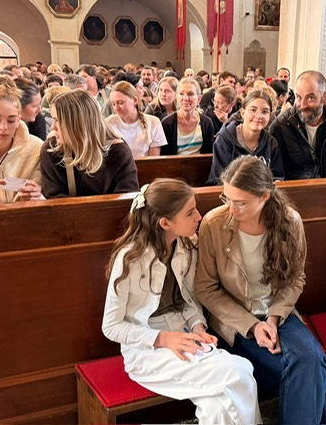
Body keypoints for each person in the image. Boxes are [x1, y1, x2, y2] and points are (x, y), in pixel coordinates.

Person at [102, 179, 261, 424]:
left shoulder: (187, 246)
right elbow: (111, 326)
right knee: (240, 371)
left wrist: (198, 326)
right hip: (146, 350)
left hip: (184, 336)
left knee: (217, 407)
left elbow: (190, 300)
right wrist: (163, 339)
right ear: (165, 223)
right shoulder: (129, 259)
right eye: (190, 212)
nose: (199, 216)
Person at [195, 155, 326, 424]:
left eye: (241, 202)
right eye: (227, 198)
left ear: (264, 196)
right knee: (306, 372)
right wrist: (253, 326)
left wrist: (273, 318)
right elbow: (206, 288)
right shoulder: (213, 224)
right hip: (235, 321)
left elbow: (295, 279)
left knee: (311, 359)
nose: (231, 208)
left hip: (278, 313)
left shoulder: (290, 221)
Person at [40, 89, 139, 197]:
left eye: (58, 120)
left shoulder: (118, 151)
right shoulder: (51, 150)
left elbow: (127, 198)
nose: (52, 127)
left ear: (77, 123)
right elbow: (54, 197)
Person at [268, 70, 326, 179]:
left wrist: (322, 187)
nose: (303, 105)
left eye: (310, 98)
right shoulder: (280, 126)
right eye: (299, 97)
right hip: (292, 187)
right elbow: (276, 173)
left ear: (325, 97)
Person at [206, 89, 284, 185]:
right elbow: (218, 179)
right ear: (242, 113)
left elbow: (277, 176)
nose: (259, 116)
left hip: (262, 192)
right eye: (253, 110)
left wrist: (277, 182)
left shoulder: (271, 143)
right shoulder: (225, 139)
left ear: (270, 117)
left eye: (265, 112)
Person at [106, 81, 167, 157]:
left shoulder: (153, 122)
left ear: (135, 100)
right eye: (113, 104)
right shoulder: (109, 123)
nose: (116, 108)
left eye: (121, 103)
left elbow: (153, 160)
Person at [160, 78, 215, 156]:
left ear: (199, 99)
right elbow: (165, 157)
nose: (185, 98)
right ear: (177, 97)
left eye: (190, 94)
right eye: (181, 94)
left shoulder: (207, 123)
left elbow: (209, 155)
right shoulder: (167, 124)